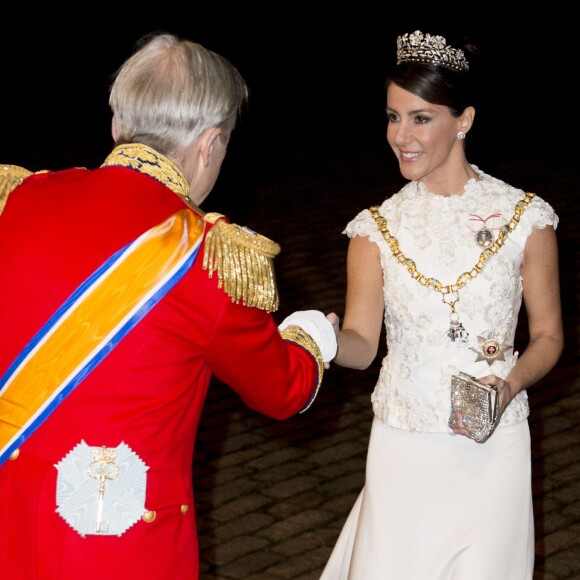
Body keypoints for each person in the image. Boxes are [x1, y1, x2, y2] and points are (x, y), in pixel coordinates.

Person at [0, 32, 337, 579]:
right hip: (115, 543)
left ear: (117, 125)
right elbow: (283, 389)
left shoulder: (20, 199)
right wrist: (312, 334)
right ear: (208, 144)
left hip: (9, 517)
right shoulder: (203, 254)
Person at [321, 29, 563, 579]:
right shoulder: (374, 229)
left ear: (466, 120)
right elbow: (362, 346)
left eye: (421, 118)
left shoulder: (526, 218)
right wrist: (326, 340)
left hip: (492, 448)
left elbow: (548, 336)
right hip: (403, 447)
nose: (400, 136)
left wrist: (510, 383)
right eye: (392, 116)